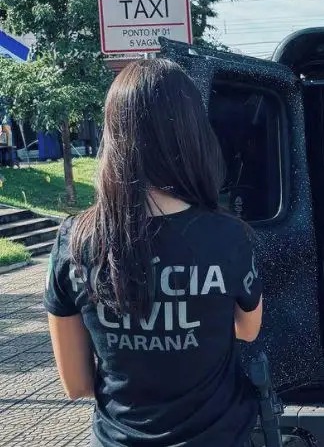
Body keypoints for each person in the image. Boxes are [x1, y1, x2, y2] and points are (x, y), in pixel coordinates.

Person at [44, 59, 264, 447]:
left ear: (113, 135)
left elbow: (76, 384)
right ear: (194, 135)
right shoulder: (229, 237)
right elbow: (247, 330)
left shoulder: (73, 240)